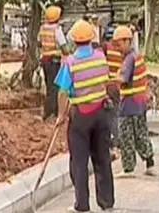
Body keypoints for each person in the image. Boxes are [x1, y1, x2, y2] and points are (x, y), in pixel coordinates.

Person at [54, 20, 114, 213]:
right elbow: (105, 80)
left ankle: (82, 204)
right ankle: (106, 202)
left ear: (73, 41)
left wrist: (61, 115)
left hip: (80, 116)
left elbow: (63, 91)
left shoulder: (71, 62)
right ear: (91, 38)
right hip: (101, 114)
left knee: (79, 162)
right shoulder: (100, 57)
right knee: (103, 158)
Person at [114, 25, 155, 177]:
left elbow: (123, 79)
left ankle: (128, 168)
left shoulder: (129, 59)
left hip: (129, 104)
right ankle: (149, 161)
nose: (117, 48)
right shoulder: (137, 56)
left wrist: (111, 79)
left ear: (127, 41)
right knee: (141, 133)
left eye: (119, 44)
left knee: (126, 136)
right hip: (140, 102)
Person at [38, 5, 68, 121]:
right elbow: (64, 48)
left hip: (45, 60)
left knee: (49, 86)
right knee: (55, 87)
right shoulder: (57, 30)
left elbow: (39, 43)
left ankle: (51, 111)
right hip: (54, 61)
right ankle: (50, 113)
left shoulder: (43, 28)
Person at [102, 26, 122, 160]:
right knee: (116, 115)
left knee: (108, 117)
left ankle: (112, 143)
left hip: (107, 86)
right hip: (118, 86)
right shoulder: (121, 51)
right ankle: (116, 142)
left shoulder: (105, 49)